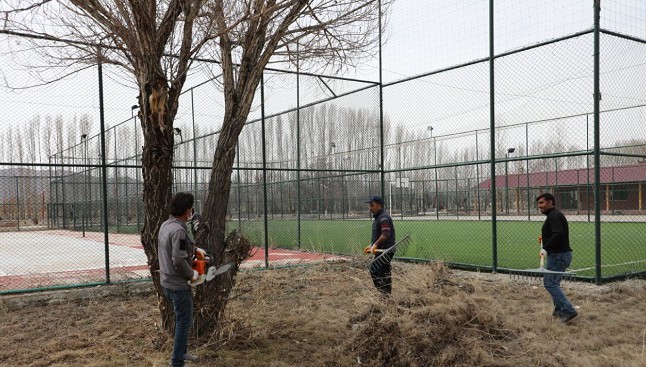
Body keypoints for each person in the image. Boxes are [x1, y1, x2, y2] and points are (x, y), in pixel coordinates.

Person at [158, 192, 205, 366]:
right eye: (191, 209)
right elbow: (178, 260)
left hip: (166, 283)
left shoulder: (166, 225)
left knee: (181, 320)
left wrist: (196, 250)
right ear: (187, 211)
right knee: (184, 323)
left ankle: (182, 352)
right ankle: (177, 361)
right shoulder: (179, 230)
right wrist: (193, 274)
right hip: (178, 285)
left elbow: (175, 250)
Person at [536, 192, 578, 324]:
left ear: (550, 202)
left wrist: (546, 248)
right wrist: (545, 238)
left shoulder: (553, 216)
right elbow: (556, 233)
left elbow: (558, 234)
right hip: (560, 255)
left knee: (550, 283)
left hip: (559, 256)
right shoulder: (554, 215)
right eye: (538, 203)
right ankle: (559, 310)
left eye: (542, 203)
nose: (539, 206)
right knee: (554, 283)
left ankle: (568, 310)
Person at [364, 195, 396, 295]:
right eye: (369, 206)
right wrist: (371, 245)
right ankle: (382, 293)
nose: (370, 208)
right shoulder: (378, 218)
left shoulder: (383, 218)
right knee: (374, 270)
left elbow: (385, 234)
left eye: (372, 205)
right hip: (380, 250)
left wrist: (375, 245)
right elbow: (378, 235)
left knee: (383, 273)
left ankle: (386, 296)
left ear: (379, 205)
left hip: (386, 250)